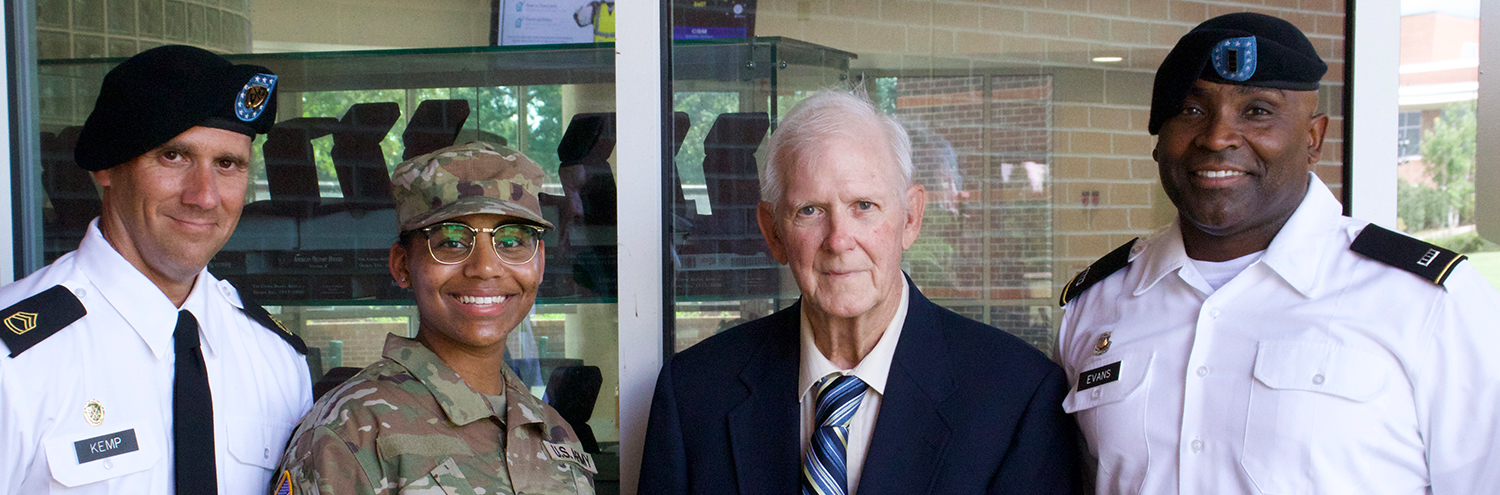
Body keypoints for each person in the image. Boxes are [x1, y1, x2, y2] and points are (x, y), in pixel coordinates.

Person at [1057, 12, 1500, 494]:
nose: (1217, 136)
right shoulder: (1096, 305)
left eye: (1258, 111)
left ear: (1314, 139)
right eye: (1190, 110)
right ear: (1157, 143)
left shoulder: (1428, 304)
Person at [640, 91, 1078, 494]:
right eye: (809, 211)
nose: (839, 240)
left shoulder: (1016, 398)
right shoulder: (694, 395)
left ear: (910, 218)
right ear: (773, 233)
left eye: (863, 206)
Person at [0, 45, 312, 494]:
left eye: (227, 164)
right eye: (174, 157)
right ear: (107, 166)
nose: (204, 196)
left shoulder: (277, 359)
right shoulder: (17, 360)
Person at [271, 141, 596, 494]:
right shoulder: (353, 431)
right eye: (451, 242)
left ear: (539, 262)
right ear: (402, 265)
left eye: (512, 241)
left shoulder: (552, 429)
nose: (485, 267)